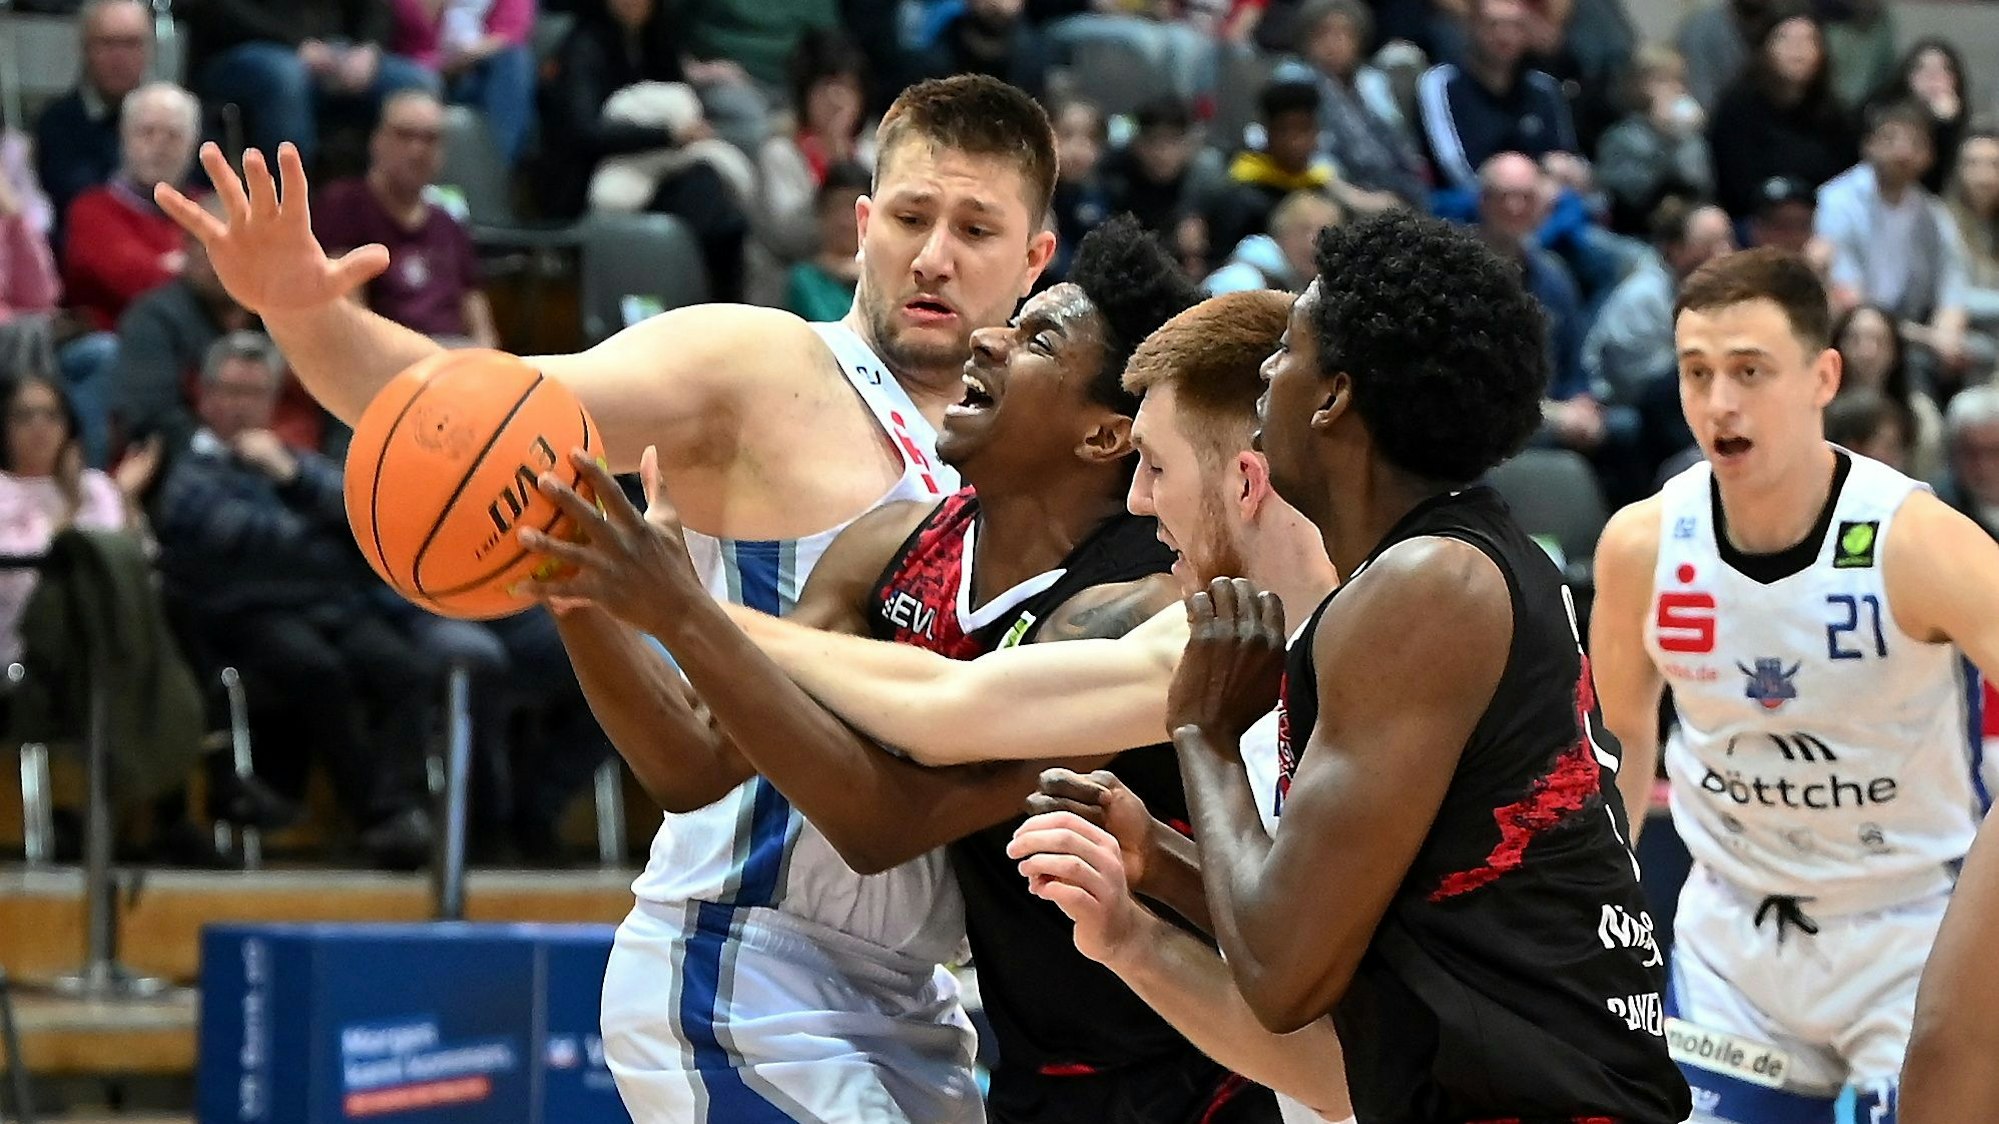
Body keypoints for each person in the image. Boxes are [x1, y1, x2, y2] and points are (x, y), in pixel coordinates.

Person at [156, 72, 1060, 1121]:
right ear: (861, 224)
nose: (934, 253)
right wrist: (305, 314)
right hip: (749, 963)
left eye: (976, 227)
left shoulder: (1011, 452)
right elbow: (482, 416)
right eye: (909, 216)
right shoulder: (762, 365)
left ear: (1035, 258)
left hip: (922, 990)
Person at [526, 217, 1292, 1123]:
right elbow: (695, 759)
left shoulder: (1126, 604)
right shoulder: (892, 546)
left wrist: (684, 610)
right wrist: (569, 586)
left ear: (1102, 437)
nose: (989, 336)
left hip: (1198, 1065)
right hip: (1031, 1063)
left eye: (1036, 337)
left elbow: (888, 820)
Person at [1590, 247, 1999, 1122]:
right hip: (1729, 938)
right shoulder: (1643, 543)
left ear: (1823, 376)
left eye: (1749, 371)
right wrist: (1594, 924)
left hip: (1910, 932)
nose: (1719, 403)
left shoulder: (1916, 539)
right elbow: (1617, 745)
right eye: (1696, 373)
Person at [312, 90, 498, 348]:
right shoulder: (344, 205)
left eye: (430, 139)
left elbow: (481, 324)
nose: (417, 150)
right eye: (404, 135)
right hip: (383, 358)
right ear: (377, 140)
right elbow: (346, 314)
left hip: (455, 363)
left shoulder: (449, 223)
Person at [36, 0, 152, 249]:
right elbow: (73, 197)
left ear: (149, 50)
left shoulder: (171, 118)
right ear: (85, 48)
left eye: (131, 43)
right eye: (108, 43)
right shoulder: (56, 122)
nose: (120, 57)